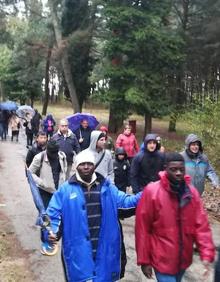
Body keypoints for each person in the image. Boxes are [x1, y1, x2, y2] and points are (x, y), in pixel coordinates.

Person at [45, 150, 142, 282]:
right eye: (82, 164)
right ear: (76, 166)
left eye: (89, 164)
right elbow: (53, 215)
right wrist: (51, 233)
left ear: (94, 166)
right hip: (78, 253)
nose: (85, 167)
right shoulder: (65, 190)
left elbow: (126, 202)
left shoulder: (107, 188)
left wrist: (145, 195)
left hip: (104, 251)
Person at [135, 152, 215, 282]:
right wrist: (144, 260)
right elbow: (142, 228)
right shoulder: (152, 192)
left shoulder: (191, 193)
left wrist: (206, 253)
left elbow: (201, 225)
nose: (178, 173)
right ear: (165, 169)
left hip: (183, 259)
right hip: (161, 259)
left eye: (181, 169)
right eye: (173, 169)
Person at [29, 140, 67, 208]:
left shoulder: (62, 156)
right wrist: (41, 182)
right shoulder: (39, 157)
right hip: (44, 192)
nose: (54, 155)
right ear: (47, 150)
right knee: (45, 214)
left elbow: (64, 169)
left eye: (55, 152)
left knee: (58, 213)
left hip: (58, 191)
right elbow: (29, 173)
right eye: (52, 152)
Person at [113, 147, 131, 278]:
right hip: (115, 185)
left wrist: (129, 183)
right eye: (118, 155)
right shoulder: (113, 164)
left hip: (123, 186)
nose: (120, 157)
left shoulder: (126, 163)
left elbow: (129, 173)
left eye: (122, 155)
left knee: (122, 199)